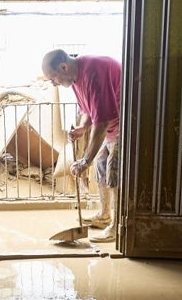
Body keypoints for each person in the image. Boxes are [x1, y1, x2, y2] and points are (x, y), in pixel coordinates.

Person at [41, 49, 123, 243]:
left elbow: (101, 123)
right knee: (101, 165)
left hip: (125, 125)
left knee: (114, 172)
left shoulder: (93, 72)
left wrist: (85, 160)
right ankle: (104, 216)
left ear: (63, 67)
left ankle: (117, 227)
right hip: (112, 126)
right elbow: (88, 110)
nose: (54, 83)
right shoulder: (76, 78)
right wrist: (82, 128)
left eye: (53, 78)